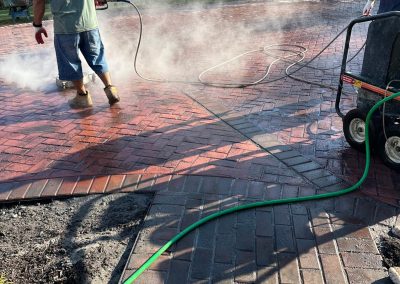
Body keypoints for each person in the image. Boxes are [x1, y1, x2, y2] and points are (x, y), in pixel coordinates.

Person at [32, 0, 120, 108]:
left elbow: (38, 2)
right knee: (97, 57)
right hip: (89, 23)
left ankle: (82, 96)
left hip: (65, 26)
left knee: (71, 62)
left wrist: (37, 25)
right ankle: (110, 89)